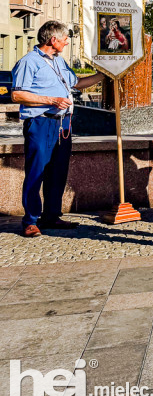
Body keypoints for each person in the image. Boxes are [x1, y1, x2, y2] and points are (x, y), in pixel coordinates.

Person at [11, 21, 104, 238]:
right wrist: (50, 100)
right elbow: (17, 95)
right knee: (36, 172)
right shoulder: (29, 62)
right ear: (53, 40)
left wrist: (106, 75)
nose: (66, 42)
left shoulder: (59, 61)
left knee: (58, 172)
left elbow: (77, 83)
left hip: (63, 124)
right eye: (64, 39)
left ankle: (51, 216)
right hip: (41, 123)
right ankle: (30, 221)